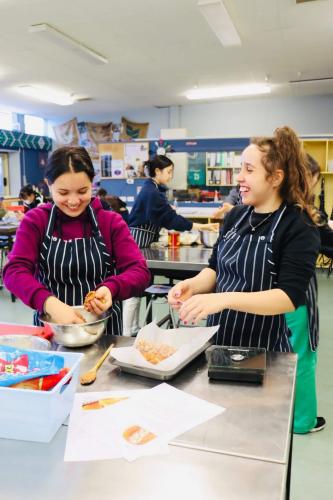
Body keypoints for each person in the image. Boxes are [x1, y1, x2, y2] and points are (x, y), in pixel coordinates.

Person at [169, 126, 323, 423]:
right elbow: (215, 268)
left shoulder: (298, 226)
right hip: (217, 344)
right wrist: (193, 286)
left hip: (264, 352)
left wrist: (223, 300)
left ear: (276, 177)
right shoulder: (236, 216)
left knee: (252, 428)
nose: (239, 177)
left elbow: (288, 297)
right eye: (241, 168)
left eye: (249, 170)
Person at [4, 146, 150, 335]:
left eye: (82, 191)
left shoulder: (110, 222)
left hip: (104, 332)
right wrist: (49, 303)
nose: (73, 201)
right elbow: (14, 271)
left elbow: (139, 271)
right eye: (63, 193)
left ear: (92, 183)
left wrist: (111, 288)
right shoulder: (36, 221)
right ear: (49, 185)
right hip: (51, 331)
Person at [123, 154, 219, 336]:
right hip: (138, 243)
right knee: (134, 291)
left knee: (137, 289)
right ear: (157, 171)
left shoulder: (152, 189)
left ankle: (133, 329)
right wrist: (201, 226)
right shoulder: (151, 192)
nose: (170, 176)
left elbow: (166, 217)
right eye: (168, 172)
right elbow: (170, 219)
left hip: (143, 242)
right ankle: (128, 332)